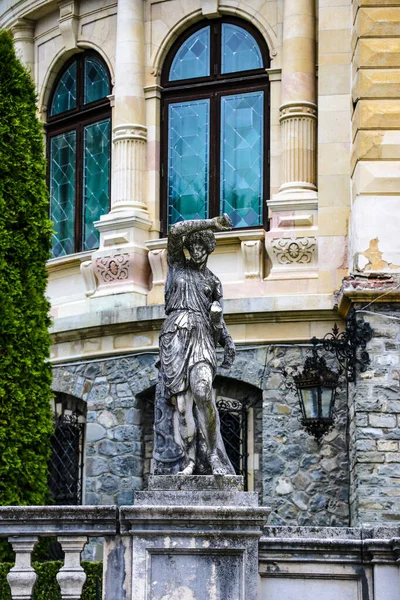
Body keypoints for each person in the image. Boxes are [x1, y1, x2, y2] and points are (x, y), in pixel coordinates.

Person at [153, 215, 236, 476]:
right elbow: (175, 229)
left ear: (209, 249)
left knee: (202, 391)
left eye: (202, 247)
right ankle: (189, 460)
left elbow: (218, 318)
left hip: (201, 336)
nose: (197, 251)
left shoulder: (213, 281)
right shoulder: (177, 266)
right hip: (175, 335)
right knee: (181, 405)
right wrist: (211, 223)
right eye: (194, 246)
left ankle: (213, 454)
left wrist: (227, 339)